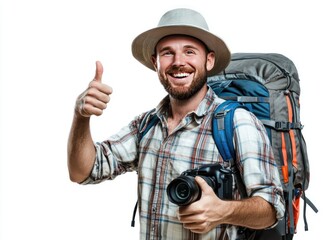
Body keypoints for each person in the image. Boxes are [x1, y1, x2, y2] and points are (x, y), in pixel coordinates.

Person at [67, 8, 285, 240]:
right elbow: (83, 171)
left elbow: (273, 208)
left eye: (189, 52)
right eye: (167, 53)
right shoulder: (146, 125)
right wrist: (81, 116)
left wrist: (223, 211)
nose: (178, 62)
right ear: (156, 62)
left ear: (209, 60)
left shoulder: (237, 122)